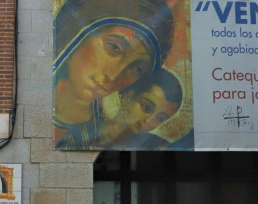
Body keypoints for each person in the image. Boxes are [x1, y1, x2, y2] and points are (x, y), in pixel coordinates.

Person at [53, 0, 175, 148]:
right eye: (114, 47)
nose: (113, 77)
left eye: (137, 69)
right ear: (76, 33)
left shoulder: (106, 137)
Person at [59, 68, 183, 149]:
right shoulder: (79, 139)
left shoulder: (160, 147)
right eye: (146, 107)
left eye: (160, 118)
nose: (149, 120)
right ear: (127, 96)